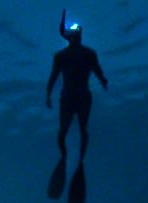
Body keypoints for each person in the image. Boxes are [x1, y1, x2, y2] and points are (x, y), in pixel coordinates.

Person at [46, 12, 108, 165]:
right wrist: (48, 94)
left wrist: (103, 81)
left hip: (80, 97)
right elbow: (53, 76)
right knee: (66, 131)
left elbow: (97, 70)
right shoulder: (63, 56)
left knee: (78, 130)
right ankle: (66, 156)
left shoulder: (87, 54)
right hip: (71, 97)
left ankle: (77, 159)